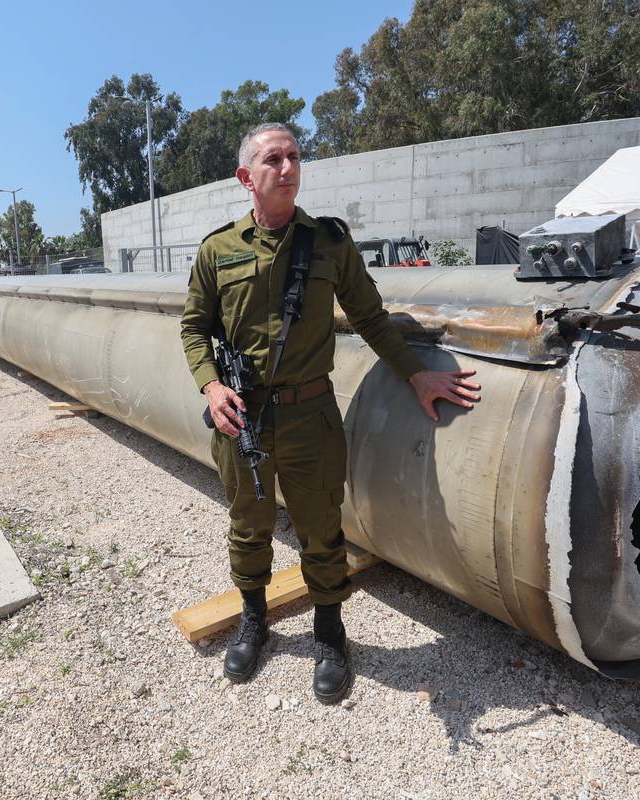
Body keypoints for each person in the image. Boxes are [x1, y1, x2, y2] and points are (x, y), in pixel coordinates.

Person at [180, 122, 481, 703]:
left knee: (321, 530)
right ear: (247, 177)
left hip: (310, 415)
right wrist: (212, 388)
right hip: (241, 417)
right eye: (274, 159)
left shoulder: (329, 243)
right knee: (249, 525)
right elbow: (194, 327)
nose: (288, 167)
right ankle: (253, 618)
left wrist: (417, 375)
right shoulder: (217, 251)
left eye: (294, 157)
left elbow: (370, 317)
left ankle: (329, 631)